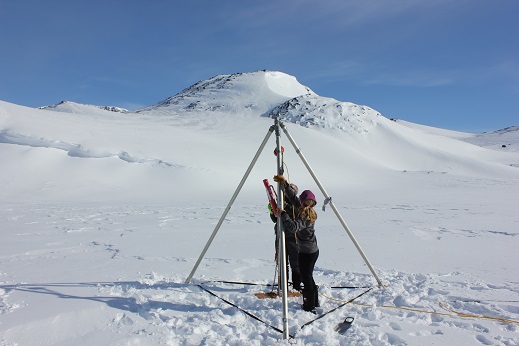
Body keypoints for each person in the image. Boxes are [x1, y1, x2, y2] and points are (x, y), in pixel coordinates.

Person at [274, 175, 319, 312]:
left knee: (306, 277)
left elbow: (293, 227)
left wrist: (283, 215)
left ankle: (309, 305)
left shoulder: (307, 215)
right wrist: (285, 184)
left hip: (308, 252)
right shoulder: (304, 208)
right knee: (308, 276)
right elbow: (293, 199)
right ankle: (314, 300)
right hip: (308, 250)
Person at [269, 179, 301, 291]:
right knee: (282, 263)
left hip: (293, 237)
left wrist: (283, 209)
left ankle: (297, 286)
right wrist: (272, 210)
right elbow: (275, 219)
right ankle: (283, 286)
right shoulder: (280, 201)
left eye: (291, 188)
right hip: (280, 235)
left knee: (295, 264)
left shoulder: (296, 204)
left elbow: (294, 215)